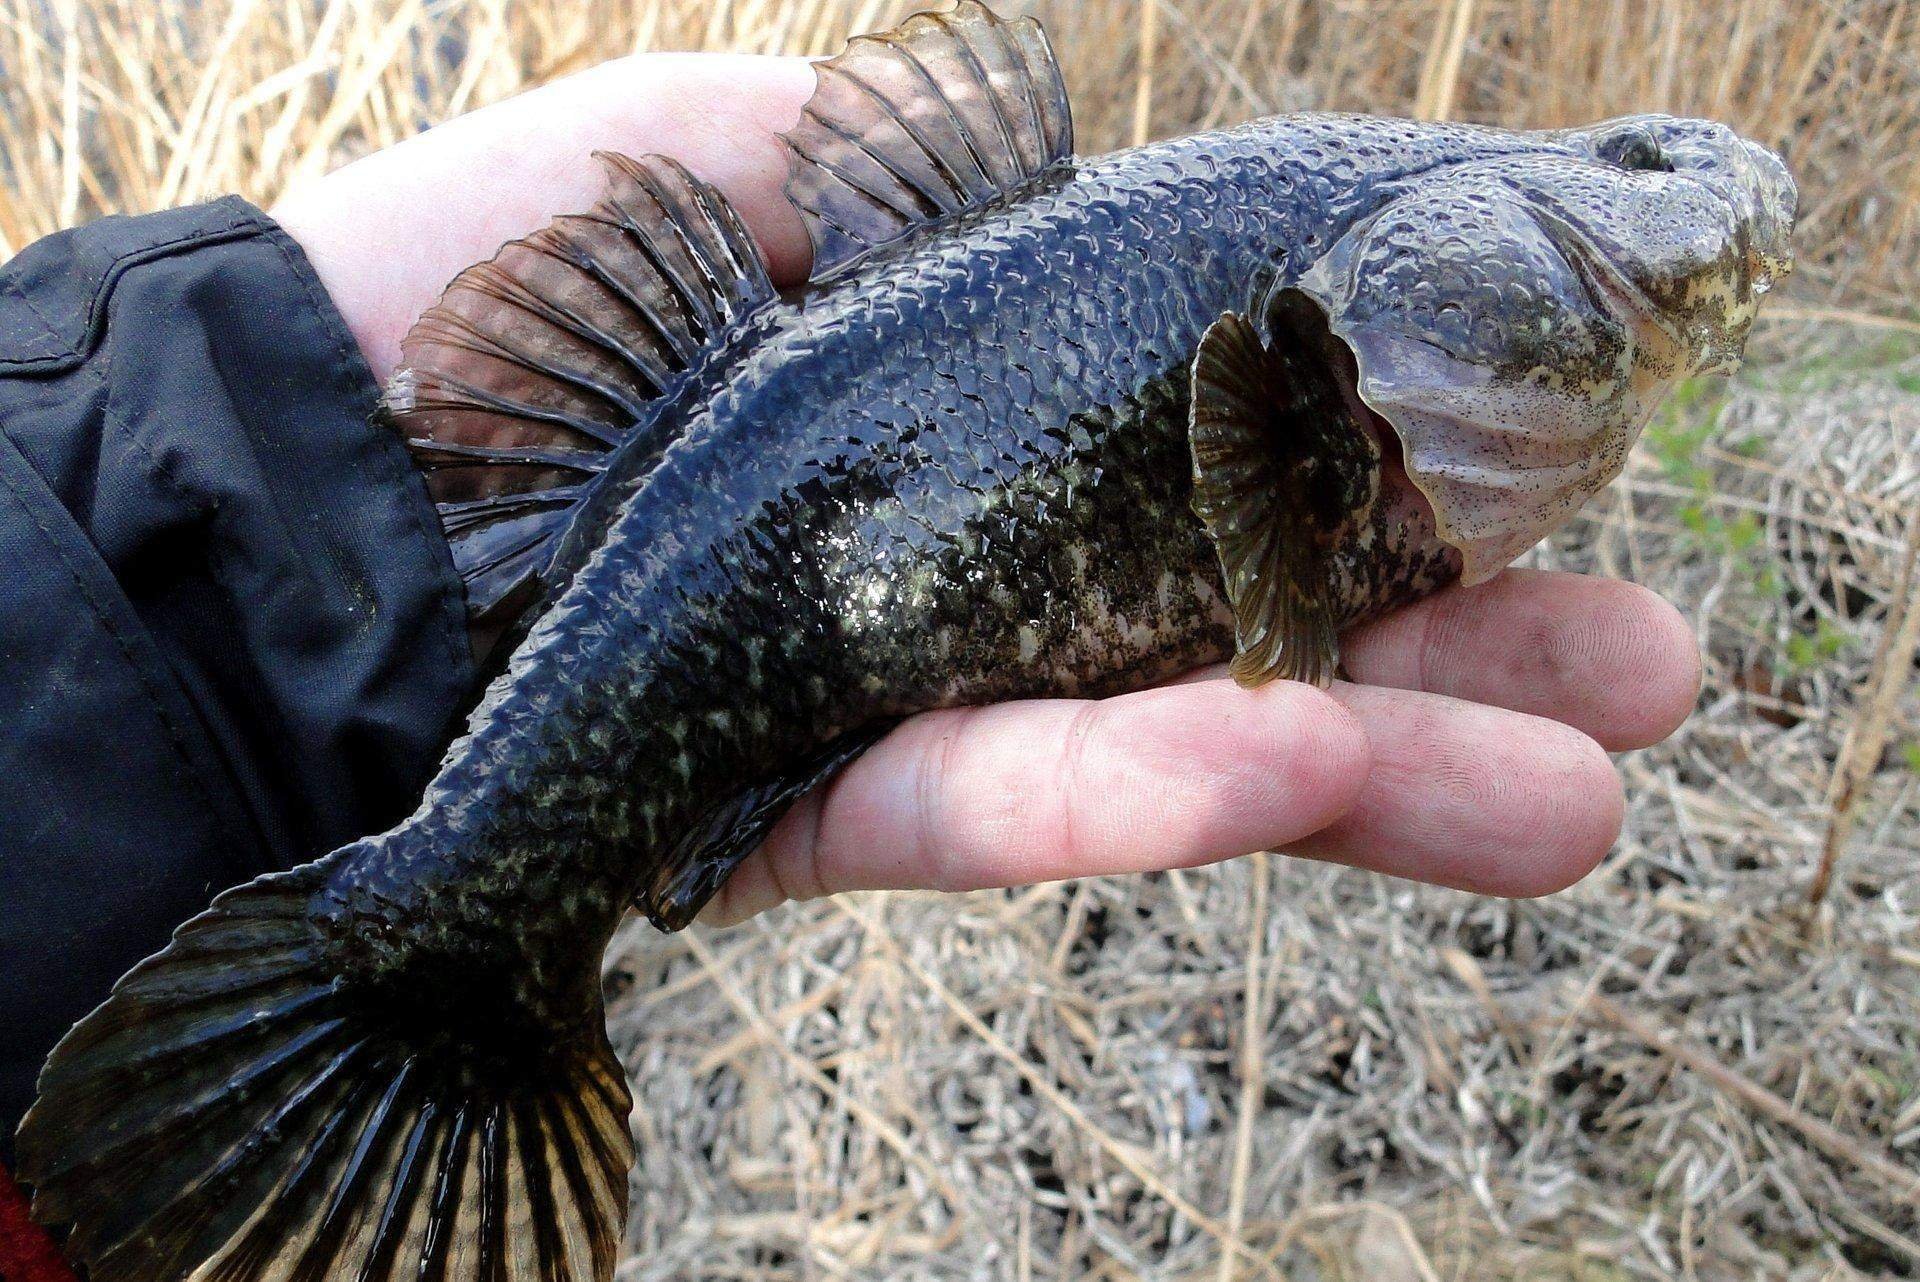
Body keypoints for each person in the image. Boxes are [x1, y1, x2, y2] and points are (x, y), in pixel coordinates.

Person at [0, 53, 1701, 1154]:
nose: (1662, 280)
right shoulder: (1332, 284)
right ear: (1355, 356)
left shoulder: (1356, 242)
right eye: (1648, 266)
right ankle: (447, 949)